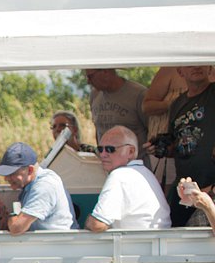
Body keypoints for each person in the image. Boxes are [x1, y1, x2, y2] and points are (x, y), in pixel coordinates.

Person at [158, 66, 215, 227]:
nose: (196, 67)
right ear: (180, 71)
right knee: (177, 235)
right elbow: (175, 143)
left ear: (210, 68)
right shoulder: (177, 104)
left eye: (201, 63)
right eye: (190, 64)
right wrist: (161, 147)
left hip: (211, 185)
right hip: (185, 185)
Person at [84, 126, 169, 231]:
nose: (103, 154)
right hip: (154, 242)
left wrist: (88, 221)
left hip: (138, 244)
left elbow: (98, 225)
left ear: (130, 151)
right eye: (100, 149)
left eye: (110, 149)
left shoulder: (119, 175)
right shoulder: (145, 173)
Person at [0, 142, 77, 234]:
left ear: (30, 170)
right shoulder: (33, 182)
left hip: (58, 244)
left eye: (12, 173)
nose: (6, 178)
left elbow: (16, 228)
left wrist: (12, 216)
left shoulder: (44, 186)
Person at [86, 68, 149, 160]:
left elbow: (151, 131)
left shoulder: (138, 94)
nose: (88, 82)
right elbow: (98, 130)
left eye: (91, 76)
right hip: (107, 164)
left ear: (105, 72)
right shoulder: (95, 95)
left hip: (134, 164)